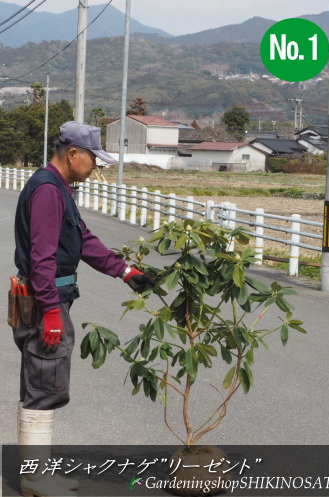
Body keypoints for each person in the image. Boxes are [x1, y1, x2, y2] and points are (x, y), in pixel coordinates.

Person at [12, 121, 155, 497]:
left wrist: (125, 271)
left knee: (43, 382)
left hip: (51, 298)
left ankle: (37, 474)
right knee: (43, 383)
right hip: (47, 300)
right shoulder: (47, 191)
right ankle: (33, 478)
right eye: (93, 159)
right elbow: (42, 257)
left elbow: (83, 240)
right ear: (72, 154)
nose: (95, 167)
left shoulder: (60, 189)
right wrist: (52, 313)